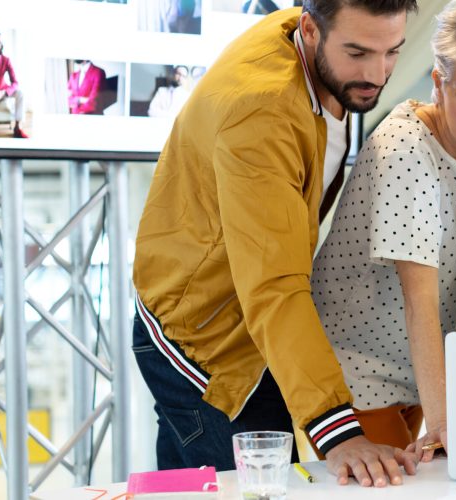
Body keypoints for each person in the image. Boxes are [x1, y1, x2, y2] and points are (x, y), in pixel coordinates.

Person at [131, 1, 421, 488]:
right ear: (310, 29)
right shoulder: (260, 111)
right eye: (357, 52)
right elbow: (276, 282)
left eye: (392, 51)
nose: (377, 72)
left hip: (256, 318)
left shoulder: (314, 40)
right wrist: (337, 431)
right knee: (249, 489)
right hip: (205, 332)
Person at [311, 0, 456, 462]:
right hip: (356, 378)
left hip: (412, 376)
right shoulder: (406, 149)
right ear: (439, 84)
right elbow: (421, 304)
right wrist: (446, 425)